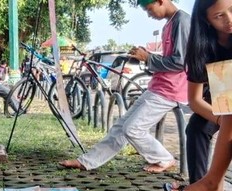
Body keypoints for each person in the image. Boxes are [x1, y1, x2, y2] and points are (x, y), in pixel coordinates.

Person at [60, 0, 190, 173]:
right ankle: (86, 162)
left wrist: (148, 58)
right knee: (121, 126)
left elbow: (180, 62)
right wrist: (147, 55)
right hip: (158, 87)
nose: (148, 15)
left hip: (171, 90)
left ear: (161, 1)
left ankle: (164, 158)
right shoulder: (170, 23)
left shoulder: (181, 21)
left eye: (149, 9)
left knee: (133, 129)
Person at [165, 0, 232, 191]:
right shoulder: (202, 48)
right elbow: (195, 100)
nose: (229, 20)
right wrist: (223, 119)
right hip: (219, 101)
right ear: (206, 20)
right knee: (196, 128)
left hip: (228, 99)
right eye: (219, 16)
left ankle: (212, 184)